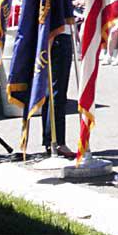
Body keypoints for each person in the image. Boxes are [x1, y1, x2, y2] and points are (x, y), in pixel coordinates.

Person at [42, 27, 75, 158]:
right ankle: (56, 141)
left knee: (52, 92)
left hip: (54, 37)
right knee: (57, 93)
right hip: (57, 36)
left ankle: (51, 140)